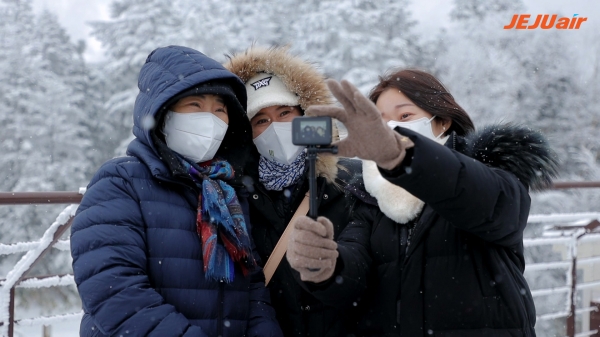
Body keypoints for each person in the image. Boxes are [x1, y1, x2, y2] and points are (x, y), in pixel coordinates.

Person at [292, 69, 559, 336]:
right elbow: (356, 274)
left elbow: (489, 203)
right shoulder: (370, 196)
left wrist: (403, 157)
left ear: (441, 121)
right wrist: (327, 266)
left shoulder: (488, 173)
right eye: (381, 123)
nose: (393, 129)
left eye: (405, 115)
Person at [70, 45, 282, 337]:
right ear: (163, 114)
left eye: (220, 108)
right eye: (195, 105)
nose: (210, 119)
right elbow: (114, 291)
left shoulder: (225, 191)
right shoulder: (120, 182)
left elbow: (252, 286)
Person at [225, 46, 370, 336]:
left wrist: (331, 268)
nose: (276, 127)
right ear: (246, 132)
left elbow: (369, 269)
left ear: (306, 114)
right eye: (261, 120)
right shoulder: (233, 195)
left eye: (285, 112)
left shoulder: (351, 178)